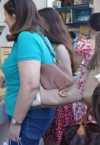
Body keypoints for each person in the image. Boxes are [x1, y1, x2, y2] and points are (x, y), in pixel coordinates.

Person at [0, 0, 55, 144]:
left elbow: (30, 85)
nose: (5, 20)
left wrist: (16, 123)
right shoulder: (39, 35)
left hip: (28, 114)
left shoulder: (26, 37)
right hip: (37, 112)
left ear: (14, 17)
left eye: (5, 16)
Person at [38, 8, 78, 145]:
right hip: (52, 101)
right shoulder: (48, 45)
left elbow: (66, 78)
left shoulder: (59, 48)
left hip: (57, 103)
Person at [74, 12, 100, 124]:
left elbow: (74, 67)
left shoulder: (84, 44)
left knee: (86, 123)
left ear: (90, 26)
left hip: (88, 86)